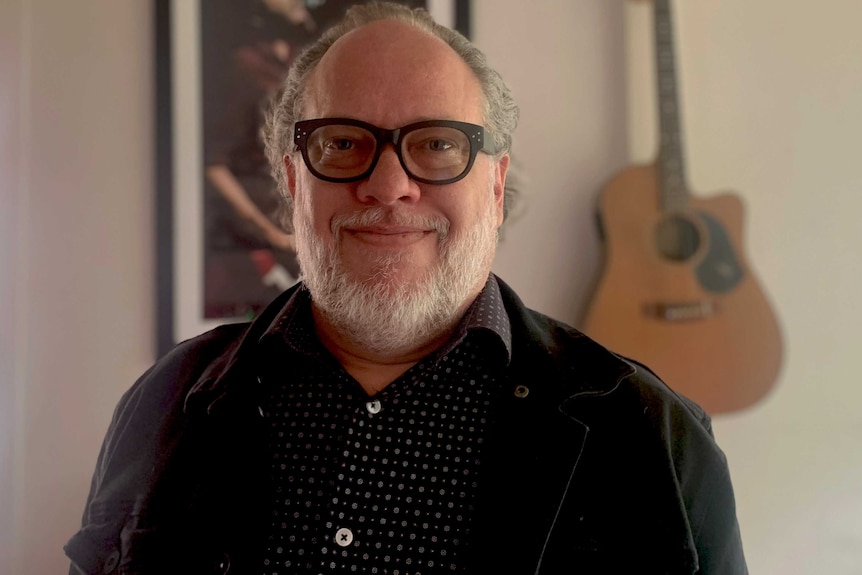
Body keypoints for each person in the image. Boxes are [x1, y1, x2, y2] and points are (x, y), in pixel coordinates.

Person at [65, 2, 748, 574]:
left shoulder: (649, 435)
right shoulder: (164, 402)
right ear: (294, 181)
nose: (388, 185)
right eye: (341, 142)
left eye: (438, 144)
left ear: (497, 183)